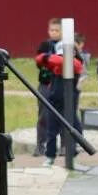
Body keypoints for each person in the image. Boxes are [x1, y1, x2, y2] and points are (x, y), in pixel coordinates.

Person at [38, 33, 85, 166]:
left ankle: (75, 149)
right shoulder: (56, 66)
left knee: (73, 127)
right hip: (54, 101)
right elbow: (40, 59)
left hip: (69, 103)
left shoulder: (77, 63)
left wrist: (54, 58)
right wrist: (50, 58)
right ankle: (50, 156)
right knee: (51, 130)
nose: (62, 58)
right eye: (60, 55)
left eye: (65, 55)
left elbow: (68, 63)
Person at [34, 19, 63, 156]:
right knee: (44, 115)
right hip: (46, 83)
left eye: (57, 30)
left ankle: (64, 145)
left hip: (62, 84)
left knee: (64, 114)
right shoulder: (45, 45)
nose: (54, 33)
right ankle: (41, 144)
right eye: (52, 30)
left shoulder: (67, 46)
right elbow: (39, 62)